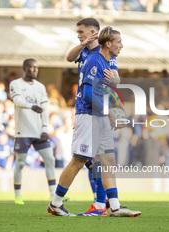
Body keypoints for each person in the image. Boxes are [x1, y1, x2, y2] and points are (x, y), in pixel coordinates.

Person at [47, 26, 141, 217]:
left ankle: (114, 207)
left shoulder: (107, 62)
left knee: (108, 160)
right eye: (118, 42)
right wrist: (109, 113)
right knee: (78, 161)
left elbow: (111, 86)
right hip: (88, 116)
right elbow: (88, 94)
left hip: (100, 116)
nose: (121, 45)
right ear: (108, 43)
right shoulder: (94, 61)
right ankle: (55, 203)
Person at [65, 17, 120, 214]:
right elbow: (69, 58)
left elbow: (116, 77)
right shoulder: (85, 52)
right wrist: (82, 44)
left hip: (96, 109)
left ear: (93, 32)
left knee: (98, 160)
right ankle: (102, 203)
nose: (78, 35)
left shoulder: (104, 53)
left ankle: (101, 204)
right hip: (87, 109)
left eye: (81, 32)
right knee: (92, 160)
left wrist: (115, 79)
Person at [10, 58, 57, 205]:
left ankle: (53, 193)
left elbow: (45, 110)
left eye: (36, 67)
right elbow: (17, 101)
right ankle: (18, 194)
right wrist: (31, 106)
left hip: (39, 131)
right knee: (21, 162)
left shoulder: (41, 87)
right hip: (23, 131)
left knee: (50, 159)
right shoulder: (15, 84)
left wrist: (44, 129)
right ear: (25, 68)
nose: (34, 70)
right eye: (31, 67)